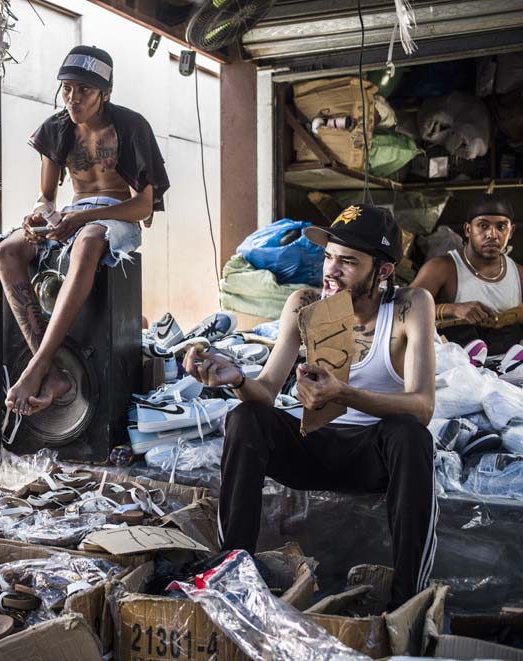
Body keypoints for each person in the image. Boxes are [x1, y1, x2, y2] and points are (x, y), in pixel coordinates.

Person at [186, 205, 437, 608]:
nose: (331, 271)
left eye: (348, 262)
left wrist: (342, 393)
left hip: (373, 459)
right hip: (314, 447)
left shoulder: (410, 306)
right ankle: (231, 568)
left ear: (384, 271)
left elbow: (422, 405)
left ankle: (408, 596)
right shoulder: (304, 303)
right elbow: (267, 391)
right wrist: (236, 379)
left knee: (410, 434)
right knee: (246, 417)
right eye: (329, 257)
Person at [0, 45, 169, 416]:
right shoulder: (57, 129)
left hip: (116, 216)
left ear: (105, 93)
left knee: (87, 242)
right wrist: (39, 218)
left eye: (84, 91)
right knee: (5, 251)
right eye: (67, 88)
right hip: (73, 213)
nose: (73, 98)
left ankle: (36, 365)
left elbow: (142, 206)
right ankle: (54, 370)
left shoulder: (130, 127)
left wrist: (82, 221)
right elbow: (46, 198)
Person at [411, 193, 522, 353]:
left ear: (510, 232)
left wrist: (509, 317)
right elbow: (403, 307)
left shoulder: (518, 274)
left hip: (507, 372)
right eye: (483, 226)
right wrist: (453, 309)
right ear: (468, 230)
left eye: (501, 227)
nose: (492, 234)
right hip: (455, 369)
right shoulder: (442, 268)